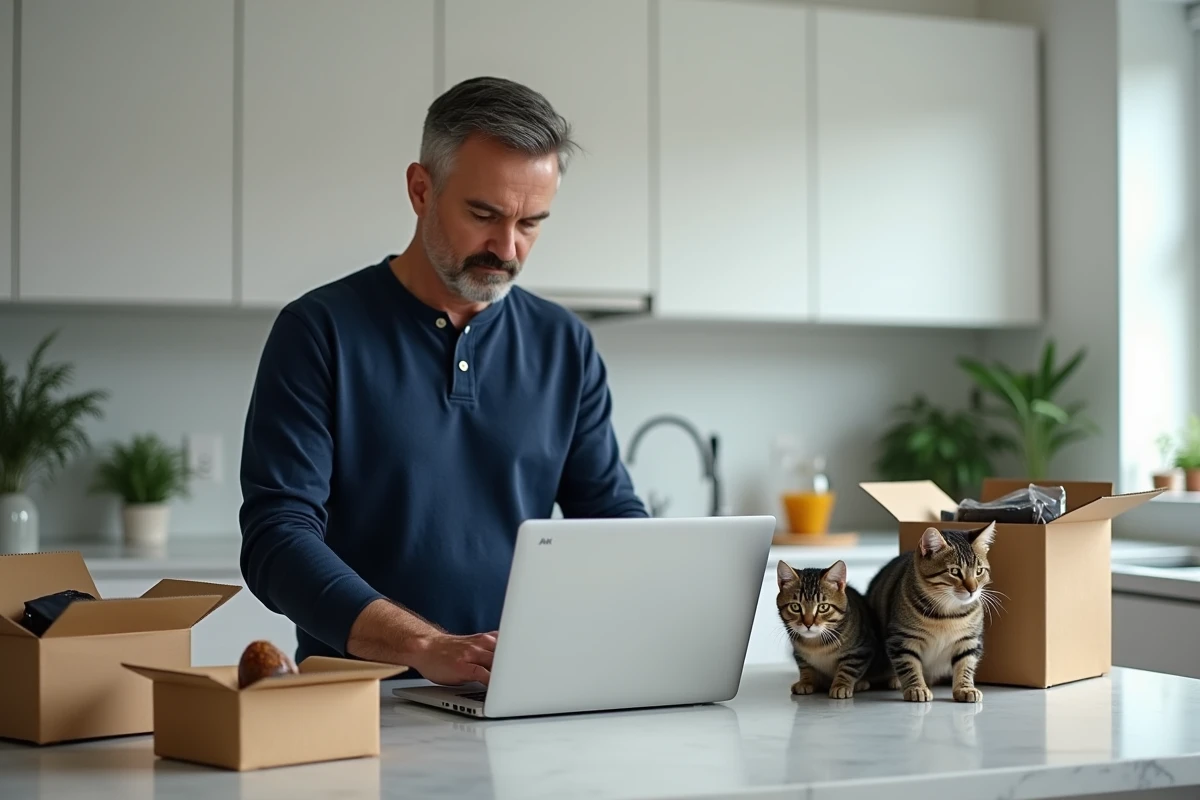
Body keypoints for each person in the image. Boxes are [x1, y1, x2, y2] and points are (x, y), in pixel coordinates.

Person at [238, 76, 647, 687]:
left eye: (532, 222)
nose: (507, 247)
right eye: (483, 214)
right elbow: (276, 540)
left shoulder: (565, 344)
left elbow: (609, 515)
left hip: (521, 690)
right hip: (361, 702)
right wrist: (427, 647)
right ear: (420, 189)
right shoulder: (319, 331)